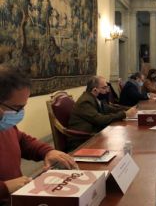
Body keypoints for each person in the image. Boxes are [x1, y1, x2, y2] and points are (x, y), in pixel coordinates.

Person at [0, 65, 77, 202]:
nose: (20, 114)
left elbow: (21, 140)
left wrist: (47, 151)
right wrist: (4, 187)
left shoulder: (4, 124)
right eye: (17, 108)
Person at [68, 76, 137, 134]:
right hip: (84, 140)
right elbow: (100, 120)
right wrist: (124, 114)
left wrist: (129, 109)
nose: (107, 91)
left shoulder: (94, 98)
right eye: (104, 88)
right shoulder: (85, 101)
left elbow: (110, 108)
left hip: (95, 134)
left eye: (107, 87)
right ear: (95, 90)